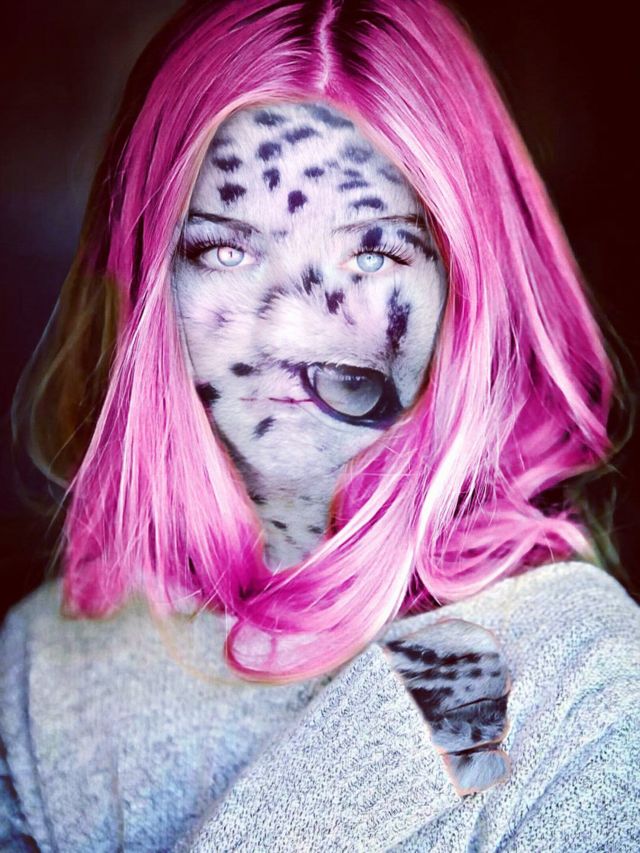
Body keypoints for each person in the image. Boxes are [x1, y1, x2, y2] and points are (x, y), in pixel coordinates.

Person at [1, 0, 638, 850]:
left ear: (467, 285)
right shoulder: (40, 670)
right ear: (151, 280)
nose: (293, 327)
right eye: (227, 249)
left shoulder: (575, 679)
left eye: (371, 254)